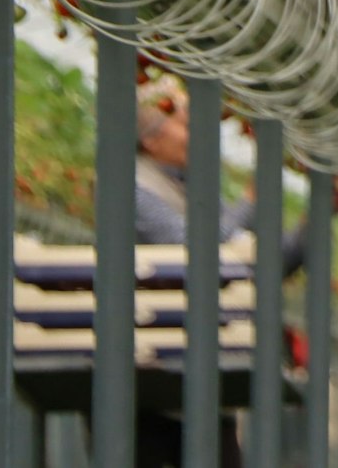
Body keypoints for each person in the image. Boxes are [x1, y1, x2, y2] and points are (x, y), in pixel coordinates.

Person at [126, 74, 316, 468]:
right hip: (148, 379)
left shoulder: (193, 190)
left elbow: (265, 261)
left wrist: (315, 217)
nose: (199, 134)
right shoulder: (131, 187)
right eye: (185, 123)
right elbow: (197, 249)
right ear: (150, 139)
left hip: (200, 371)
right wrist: (250, 199)